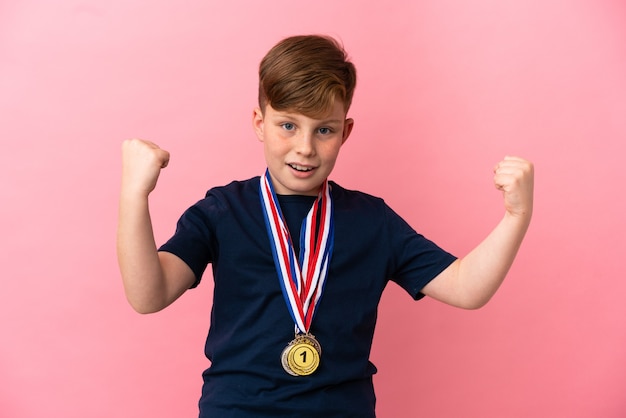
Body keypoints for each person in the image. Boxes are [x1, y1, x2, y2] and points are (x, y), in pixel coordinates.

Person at [117, 34, 534, 417]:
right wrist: (134, 197)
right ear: (259, 123)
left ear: (345, 132)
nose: (305, 147)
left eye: (324, 130)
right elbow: (147, 295)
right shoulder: (221, 211)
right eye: (287, 125)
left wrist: (516, 217)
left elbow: (466, 287)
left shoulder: (372, 220)